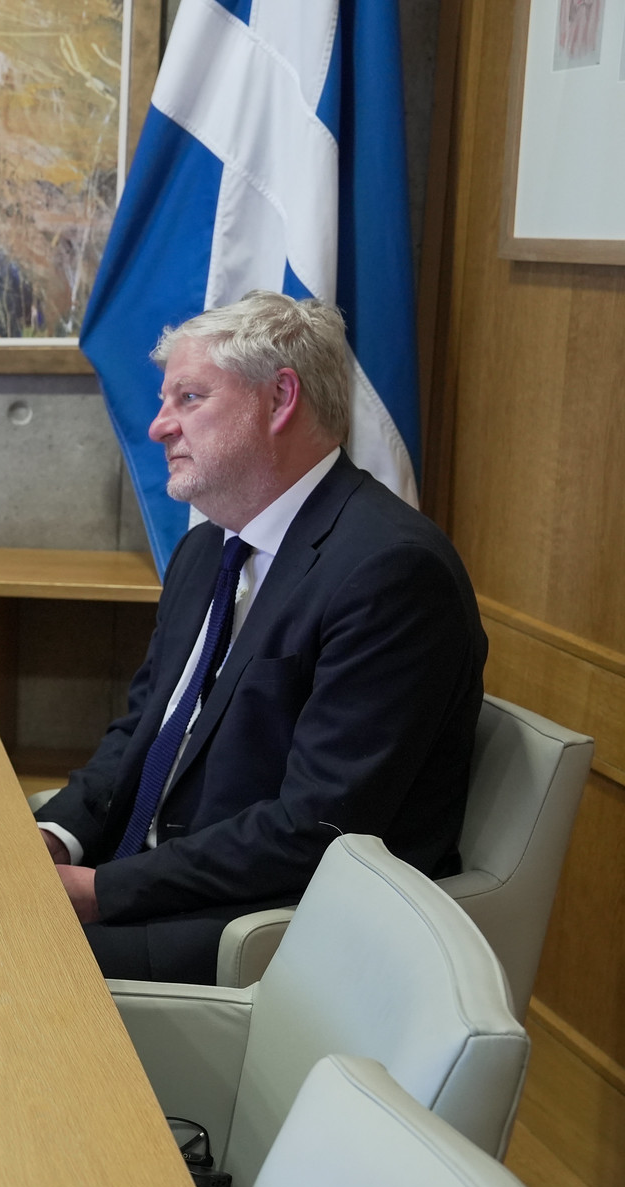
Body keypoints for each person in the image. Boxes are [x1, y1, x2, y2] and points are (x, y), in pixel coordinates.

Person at [35, 291, 486, 983]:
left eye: (188, 398)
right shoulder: (205, 550)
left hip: (267, 927)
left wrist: (101, 893)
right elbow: (142, 730)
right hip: (155, 878)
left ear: (279, 400)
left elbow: (318, 827)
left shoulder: (391, 570)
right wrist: (55, 839)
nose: (158, 426)